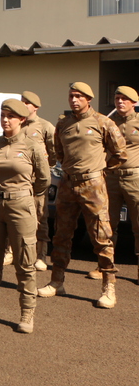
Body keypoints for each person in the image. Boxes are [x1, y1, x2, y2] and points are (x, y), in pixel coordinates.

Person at [40, 82, 127, 309]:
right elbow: (59, 152)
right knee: (61, 234)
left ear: (89, 99)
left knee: (101, 236)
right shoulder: (63, 123)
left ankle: (109, 287)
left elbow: (120, 153)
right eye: (71, 96)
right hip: (68, 185)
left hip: (93, 186)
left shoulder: (103, 122)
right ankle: (56, 281)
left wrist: (100, 171)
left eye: (79, 96)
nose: (74, 100)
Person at [0, 99, 50, 333]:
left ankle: (26, 311)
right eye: (3, 115)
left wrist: (24, 196)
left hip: (21, 205)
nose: (5, 120)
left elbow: (43, 180)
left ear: (22, 119)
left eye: (11, 116)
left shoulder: (32, 146)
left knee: (25, 261)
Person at [93, 86, 139, 282]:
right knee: (107, 223)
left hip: (134, 178)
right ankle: (104, 266)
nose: (120, 102)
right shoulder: (108, 122)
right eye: (117, 98)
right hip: (111, 177)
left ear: (134, 102)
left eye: (125, 99)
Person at [20, 91, 56, 270]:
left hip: (37, 181)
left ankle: (41, 255)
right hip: (19, 180)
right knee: (17, 217)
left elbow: (54, 152)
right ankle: (14, 251)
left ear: (36, 107)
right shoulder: (17, 124)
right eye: (22, 102)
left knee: (40, 217)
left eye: (27, 103)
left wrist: (44, 169)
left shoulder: (45, 126)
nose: (24, 105)